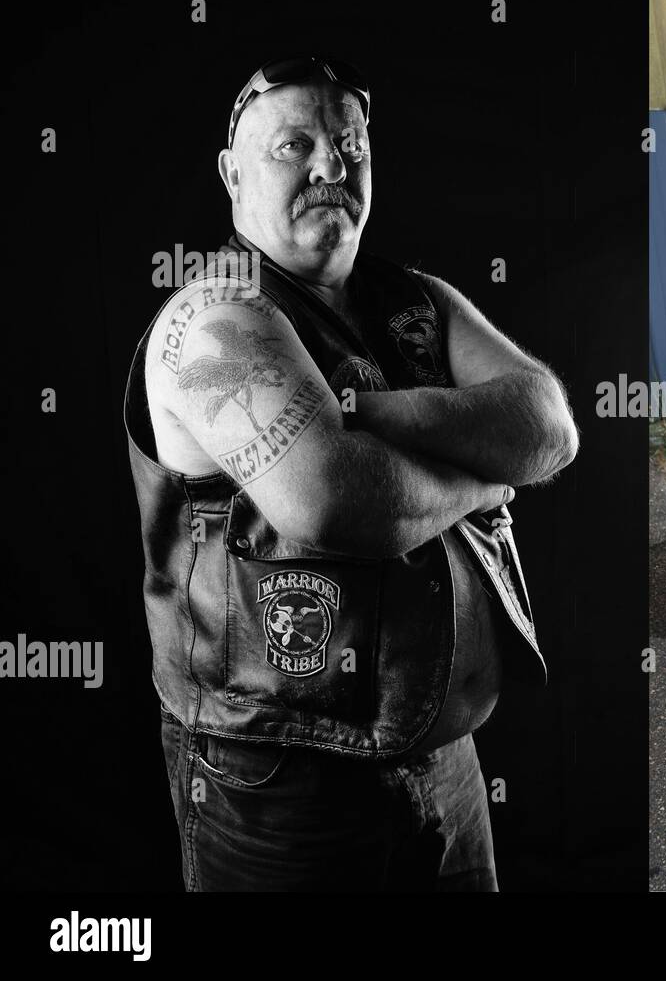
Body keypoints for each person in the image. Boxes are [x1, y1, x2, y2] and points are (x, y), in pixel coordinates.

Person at [123, 56, 579, 890]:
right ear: (232, 175)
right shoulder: (214, 318)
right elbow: (335, 504)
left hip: (447, 763)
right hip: (283, 789)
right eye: (294, 144)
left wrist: (371, 416)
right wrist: (478, 481)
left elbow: (548, 427)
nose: (331, 164)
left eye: (350, 145)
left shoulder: (416, 302)